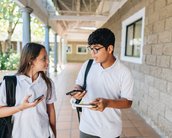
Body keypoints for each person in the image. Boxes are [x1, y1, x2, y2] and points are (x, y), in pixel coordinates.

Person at [72, 28, 134, 138]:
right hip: (87, 127)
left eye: (96, 49)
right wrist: (77, 91)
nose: (92, 54)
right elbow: (79, 84)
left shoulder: (124, 72)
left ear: (109, 48)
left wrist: (107, 103)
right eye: (90, 49)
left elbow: (128, 102)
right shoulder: (88, 65)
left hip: (110, 130)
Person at [0, 43, 57, 138]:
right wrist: (20, 107)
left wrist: (54, 134)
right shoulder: (10, 83)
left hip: (43, 135)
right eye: (44, 59)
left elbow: (51, 110)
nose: (48, 62)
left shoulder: (48, 83)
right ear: (31, 61)